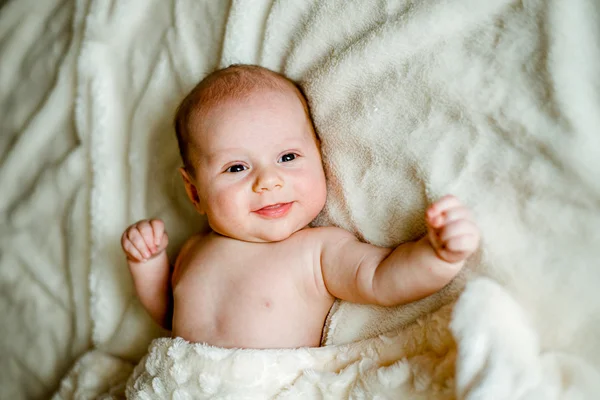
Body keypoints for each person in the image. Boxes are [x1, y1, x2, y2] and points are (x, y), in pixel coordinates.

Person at [121, 64, 480, 349]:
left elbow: (382, 280)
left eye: (287, 157)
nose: (268, 181)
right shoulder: (193, 249)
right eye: (236, 168)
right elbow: (168, 313)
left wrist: (437, 255)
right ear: (195, 192)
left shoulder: (318, 251)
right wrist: (148, 264)